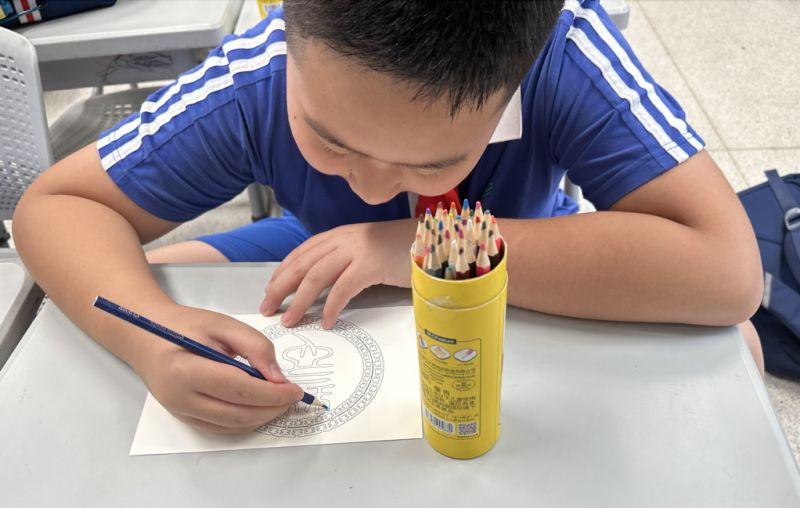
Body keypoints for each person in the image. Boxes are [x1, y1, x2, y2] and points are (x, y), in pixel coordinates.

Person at [13, 0, 764, 434]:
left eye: (435, 162)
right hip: (328, 246)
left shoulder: (561, 57)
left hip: (520, 245)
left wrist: (422, 243)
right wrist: (152, 335)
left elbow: (729, 273)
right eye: (330, 141)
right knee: (145, 283)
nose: (374, 188)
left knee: (737, 346)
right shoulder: (261, 79)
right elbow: (57, 207)